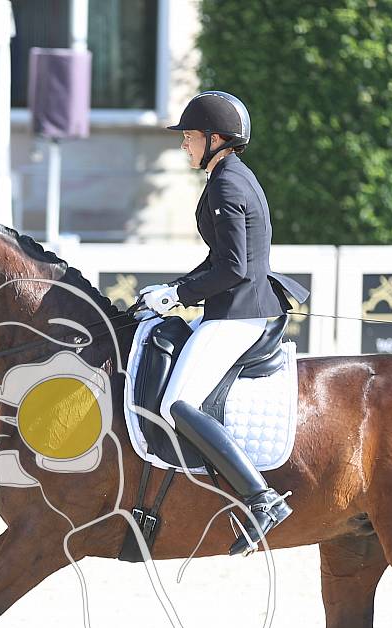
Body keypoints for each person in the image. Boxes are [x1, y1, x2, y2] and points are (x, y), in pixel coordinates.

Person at [133, 90, 295, 556]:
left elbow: (234, 268)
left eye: (189, 136)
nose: (184, 144)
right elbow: (218, 260)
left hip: (240, 315)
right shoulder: (228, 176)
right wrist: (173, 288)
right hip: (236, 307)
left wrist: (179, 296)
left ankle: (261, 499)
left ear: (215, 138)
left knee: (177, 402)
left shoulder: (228, 185)